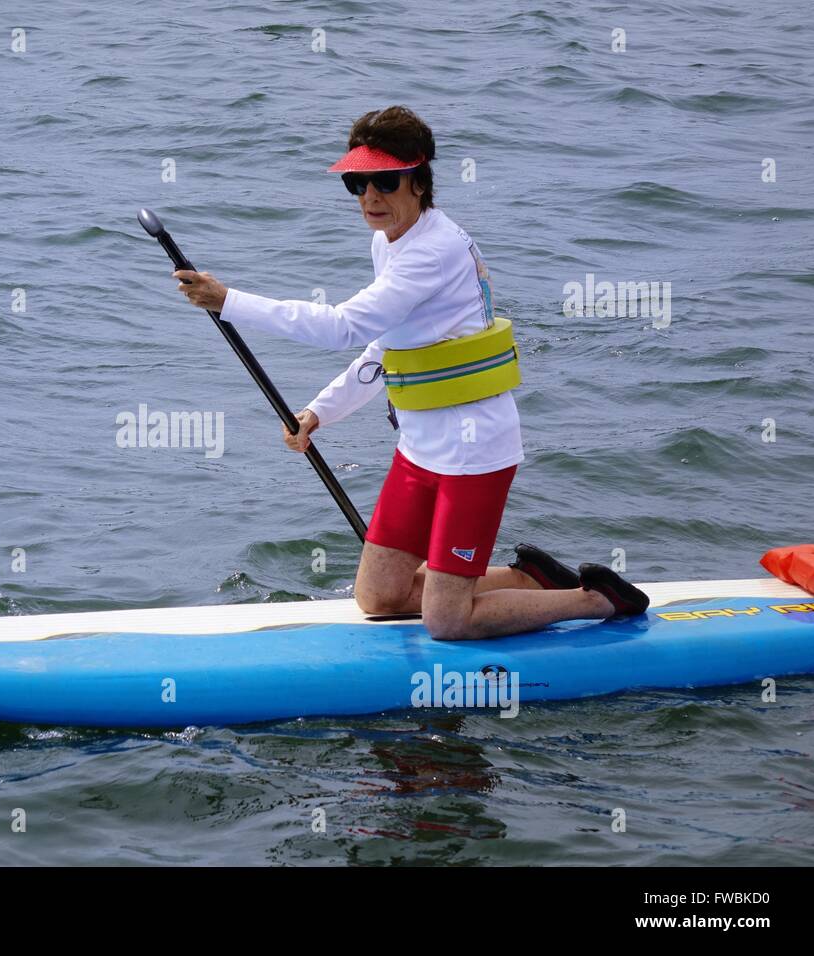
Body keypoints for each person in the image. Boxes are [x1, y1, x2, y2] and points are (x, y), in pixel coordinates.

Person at [173, 106, 649, 640]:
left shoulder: (434, 251)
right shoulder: (392, 242)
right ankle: (529, 577)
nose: (370, 197)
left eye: (385, 180)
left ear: (419, 182)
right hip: (419, 448)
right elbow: (384, 347)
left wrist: (229, 300)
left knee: (447, 622)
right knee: (379, 598)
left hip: (473, 454)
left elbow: (344, 328)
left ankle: (597, 600)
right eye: (357, 182)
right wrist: (320, 412)